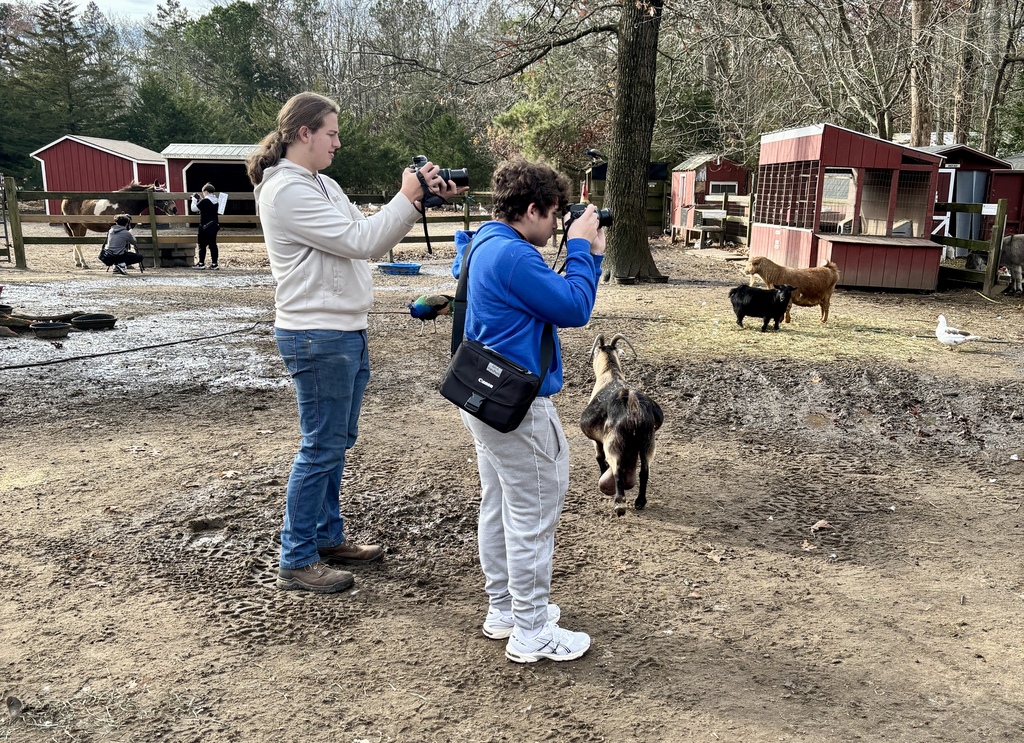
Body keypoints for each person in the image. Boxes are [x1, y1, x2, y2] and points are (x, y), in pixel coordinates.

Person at [246, 91, 464, 594]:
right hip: (316, 333)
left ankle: (326, 538)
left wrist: (420, 199)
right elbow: (362, 242)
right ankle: (296, 558)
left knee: (335, 444)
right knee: (319, 448)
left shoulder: (322, 183)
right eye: (331, 133)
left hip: (343, 329)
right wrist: (406, 197)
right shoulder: (286, 192)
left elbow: (366, 233)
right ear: (305, 133)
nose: (338, 143)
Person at [452, 158, 605, 663]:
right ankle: (532, 630)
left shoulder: (486, 242)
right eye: (556, 215)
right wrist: (585, 249)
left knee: (500, 502)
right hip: (519, 405)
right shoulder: (516, 258)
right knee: (534, 511)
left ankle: (505, 610)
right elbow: (575, 308)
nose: (559, 224)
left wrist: (577, 245)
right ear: (533, 209)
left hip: (484, 395)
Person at [190, 183, 220, 269]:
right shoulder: (216, 200)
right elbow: (207, 206)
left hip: (204, 226)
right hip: (214, 225)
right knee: (213, 245)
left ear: (206, 191)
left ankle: (201, 263)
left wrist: (194, 199)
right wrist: (201, 199)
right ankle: (214, 264)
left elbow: (194, 208)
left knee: (202, 245)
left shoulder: (205, 201)